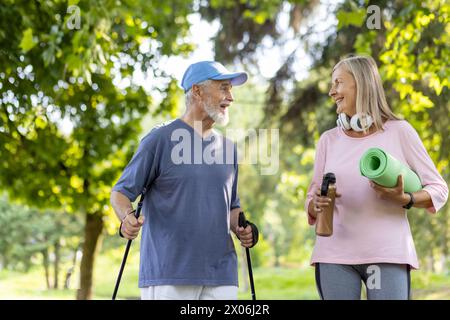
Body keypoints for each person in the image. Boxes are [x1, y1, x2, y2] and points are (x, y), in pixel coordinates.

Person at [110, 61, 259, 300]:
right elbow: (120, 192)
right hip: (170, 273)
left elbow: (231, 206)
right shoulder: (159, 139)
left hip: (221, 275)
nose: (230, 97)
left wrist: (243, 229)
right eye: (223, 88)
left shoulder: (228, 149)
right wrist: (127, 218)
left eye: (230, 89)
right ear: (198, 91)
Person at [305, 55, 448, 300]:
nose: (332, 92)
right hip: (334, 256)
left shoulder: (399, 131)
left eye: (338, 83)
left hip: (387, 253)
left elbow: (439, 189)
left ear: (360, 83)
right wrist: (314, 204)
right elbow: (311, 196)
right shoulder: (328, 140)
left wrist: (407, 198)